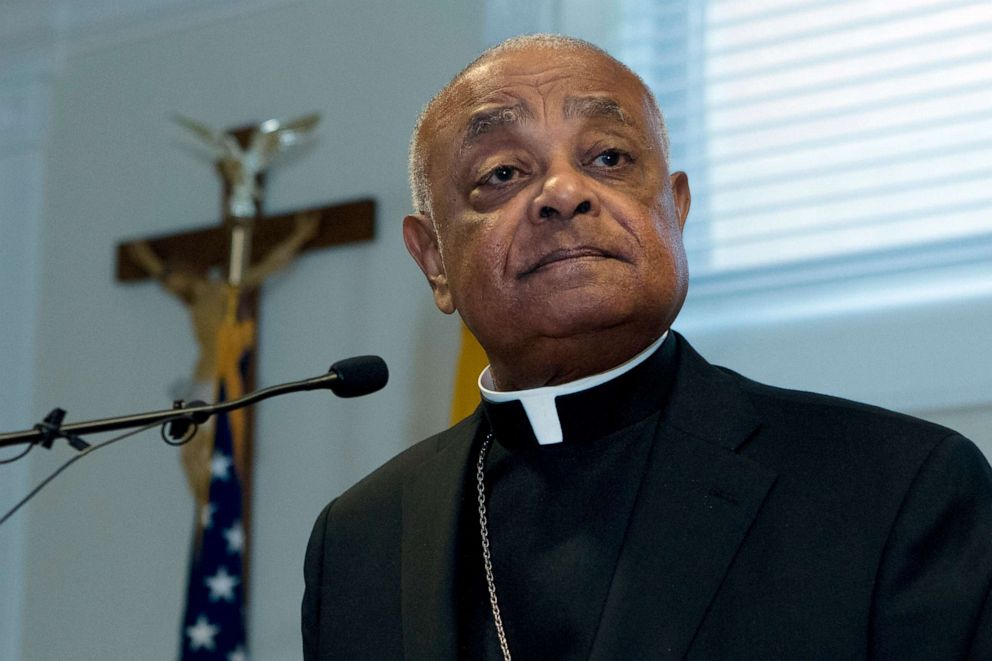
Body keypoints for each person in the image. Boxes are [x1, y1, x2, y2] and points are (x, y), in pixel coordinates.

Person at [302, 35, 992, 660]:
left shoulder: (896, 486)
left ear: (675, 209)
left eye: (608, 157)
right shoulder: (360, 542)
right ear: (434, 262)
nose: (563, 192)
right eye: (503, 174)